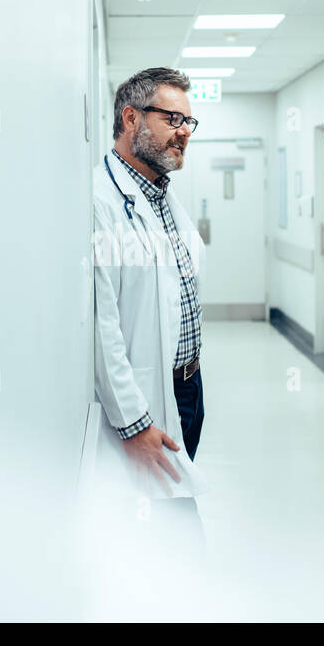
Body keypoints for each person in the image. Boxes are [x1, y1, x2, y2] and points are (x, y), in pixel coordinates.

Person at [90, 67, 207, 556]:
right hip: (144, 398)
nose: (183, 131)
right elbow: (103, 325)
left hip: (186, 386)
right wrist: (133, 423)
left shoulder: (162, 195)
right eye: (172, 118)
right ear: (131, 117)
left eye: (189, 121)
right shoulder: (100, 200)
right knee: (169, 540)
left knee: (168, 524)